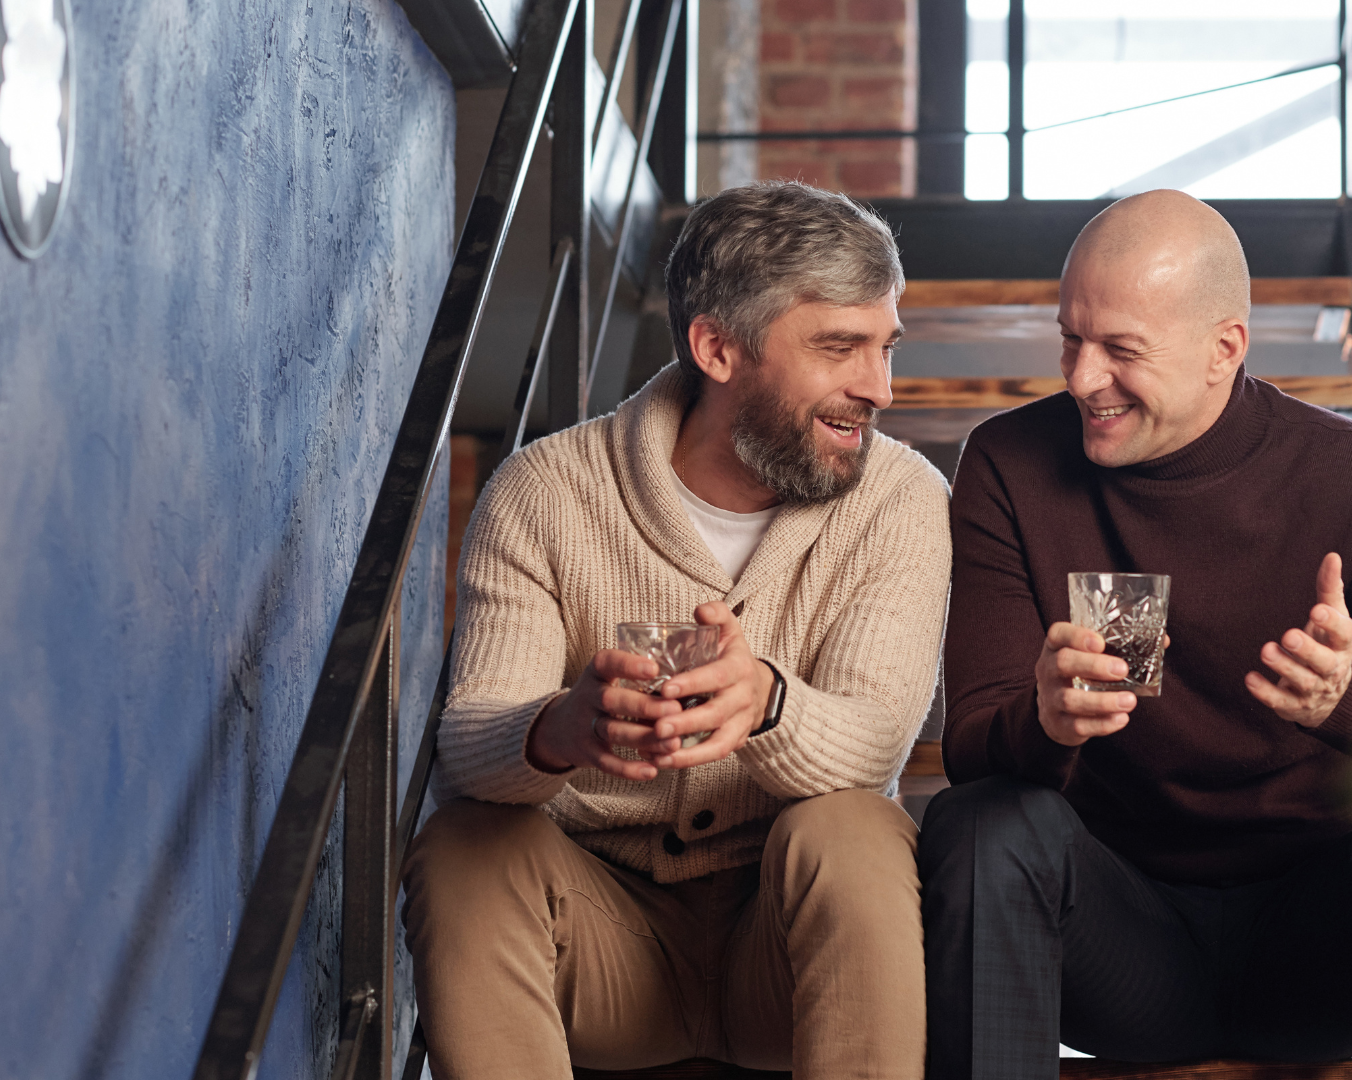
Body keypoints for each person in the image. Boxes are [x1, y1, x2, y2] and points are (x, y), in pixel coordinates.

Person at [920, 190, 1352, 1080]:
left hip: (1320, 951)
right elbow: (972, 742)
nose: (1083, 378)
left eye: (1121, 350)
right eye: (1070, 339)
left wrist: (1343, 702)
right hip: (1122, 946)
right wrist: (1042, 721)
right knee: (982, 821)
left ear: (1224, 349)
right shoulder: (1010, 465)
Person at [402, 182, 949, 1080]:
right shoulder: (545, 492)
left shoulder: (901, 498)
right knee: (463, 847)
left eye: (886, 348)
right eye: (839, 348)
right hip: (601, 942)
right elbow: (467, 743)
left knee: (855, 831)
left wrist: (769, 704)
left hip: (780, 943)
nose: (879, 389)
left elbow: (878, 735)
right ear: (717, 348)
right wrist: (557, 730)